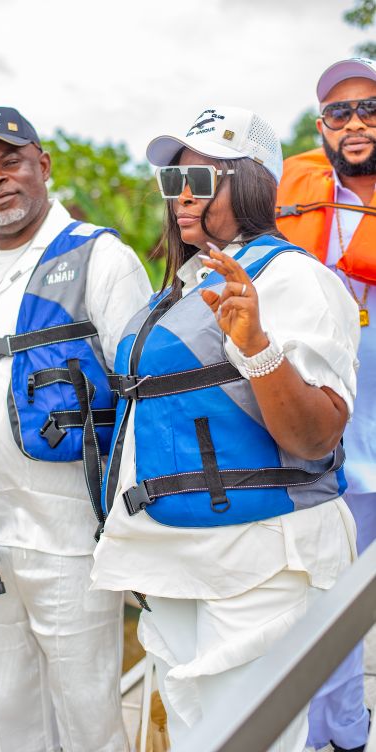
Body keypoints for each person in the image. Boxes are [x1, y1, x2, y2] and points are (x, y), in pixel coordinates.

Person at [90, 105, 360, 752]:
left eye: (202, 180)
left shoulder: (296, 278)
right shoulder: (182, 287)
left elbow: (316, 436)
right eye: (173, 181)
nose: (182, 197)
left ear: (254, 183)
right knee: (192, 729)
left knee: (248, 737)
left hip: (256, 557)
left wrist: (257, 345)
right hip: (172, 551)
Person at [0, 106, 152, 752]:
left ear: (42, 165)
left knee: (88, 712)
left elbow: (144, 391)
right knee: (4, 709)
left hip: (69, 534)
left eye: (10, 162)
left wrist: (137, 525)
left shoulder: (102, 257)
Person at [276, 58, 376, 752]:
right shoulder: (294, 201)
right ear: (321, 127)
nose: (356, 123)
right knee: (328, 602)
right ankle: (339, 736)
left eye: (370, 108)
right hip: (330, 444)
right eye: (339, 112)